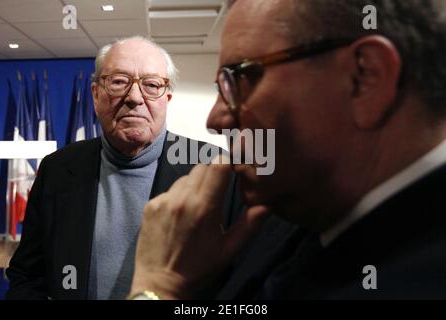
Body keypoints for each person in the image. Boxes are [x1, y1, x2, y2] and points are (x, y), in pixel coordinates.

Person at [129, 0, 446, 299]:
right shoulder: (291, 212)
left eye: (241, 78)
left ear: (364, 78)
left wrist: (158, 286)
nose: (216, 120)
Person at [6, 36, 240, 300]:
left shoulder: (215, 169)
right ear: (95, 95)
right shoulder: (57, 169)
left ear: (167, 99)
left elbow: (243, 284)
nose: (134, 97)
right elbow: (27, 276)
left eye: (151, 85)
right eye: (118, 82)